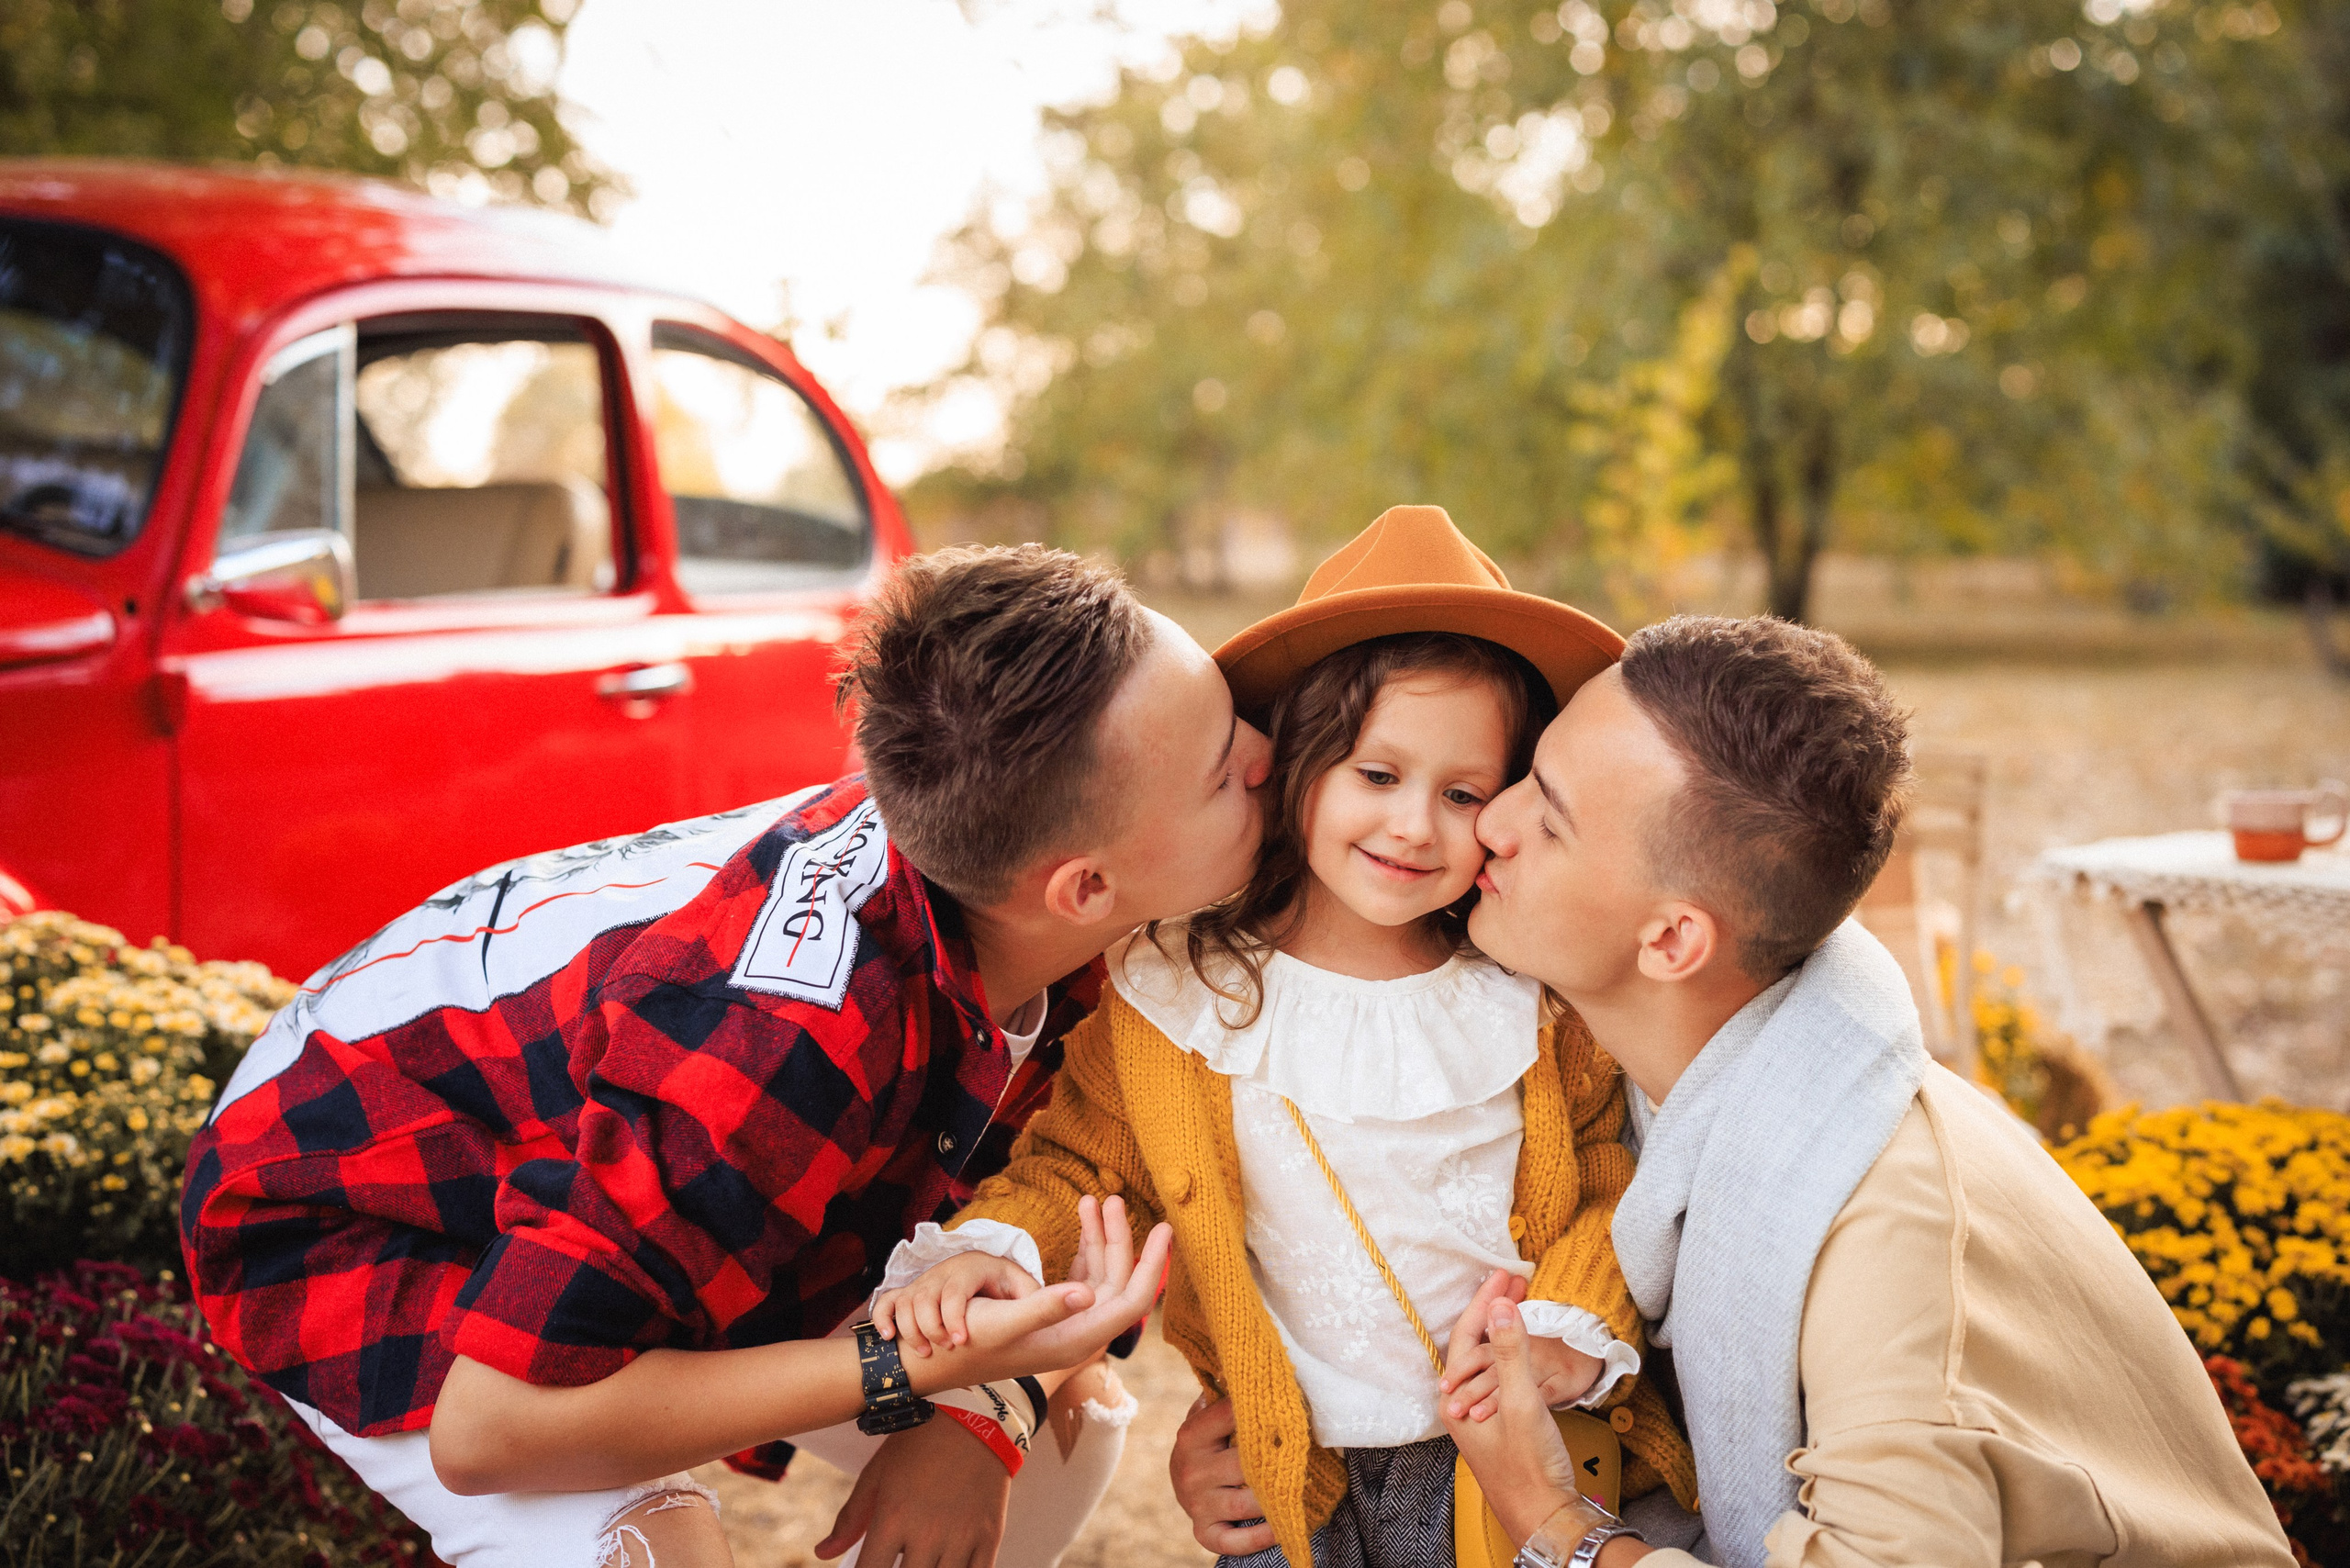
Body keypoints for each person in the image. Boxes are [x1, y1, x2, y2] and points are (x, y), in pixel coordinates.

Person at [179, 543, 1273, 1568]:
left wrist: (974, 1418)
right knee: (654, 1548)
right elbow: (492, 1425)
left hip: (654, 1188)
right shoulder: (774, 1042)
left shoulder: (1060, 904)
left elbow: (1057, 1220)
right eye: (1227, 771)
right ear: (1084, 886)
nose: (1271, 759)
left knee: (1053, 1430)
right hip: (370, 1200)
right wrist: (916, 1368)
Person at [869, 508, 1698, 1568]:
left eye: (1462, 793)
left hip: (1508, 1460)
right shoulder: (1177, 990)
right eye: (1377, 774)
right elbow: (1083, 1166)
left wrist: (1563, 1339)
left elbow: (1603, 1177)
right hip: (1287, 1473)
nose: (1413, 826)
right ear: (1300, 762)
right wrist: (991, 1250)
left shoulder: (1525, 995)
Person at [1424, 614, 2297, 1565]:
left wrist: (1556, 1523)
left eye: (1546, 820)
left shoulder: (1885, 1233)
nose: (1490, 823)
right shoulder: (1660, 1091)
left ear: (1672, 941)